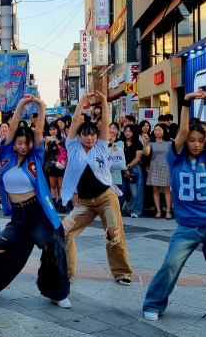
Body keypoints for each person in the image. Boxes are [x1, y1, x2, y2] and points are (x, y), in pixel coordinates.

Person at [143, 90, 206, 326]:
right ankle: (153, 303)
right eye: (192, 140)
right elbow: (181, 130)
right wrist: (187, 101)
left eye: (201, 140)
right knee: (170, 264)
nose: (197, 144)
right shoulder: (175, 158)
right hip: (188, 226)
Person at [0, 94, 70, 307]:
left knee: (54, 251)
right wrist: (22, 103)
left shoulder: (36, 157)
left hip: (38, 214)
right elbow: (12, 128)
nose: (23, 146)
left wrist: (41, 105)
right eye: (19, 142)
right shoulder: (5, 153)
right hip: (19, 217)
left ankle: (57, 294)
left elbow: (39, 130)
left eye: (27, 142)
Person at [61, 92, 132, 286]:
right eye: (86, 134)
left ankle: (122, 272)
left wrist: (104, 101)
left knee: (113, 233)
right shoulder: (72, 145)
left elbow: (106, 121)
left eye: (93, 134)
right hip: (85, 202)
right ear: (79, 135)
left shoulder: (101, 146)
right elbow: (76, 119)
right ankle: (68, 272)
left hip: (106, 197)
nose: (90, 137)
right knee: (63, 231)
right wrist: (83, 99)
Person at [143, 124, 173, 219]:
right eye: (155, 130)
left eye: (159, 130)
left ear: (164, 130)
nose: (157, 132)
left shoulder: (170, 142)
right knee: (155, 189)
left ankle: (168, 211)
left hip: (166, 165)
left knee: (166, 190)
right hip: (154, 165)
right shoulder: (151, 141)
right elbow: (147, 153)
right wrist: (144, 143)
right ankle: (158, 210)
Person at [121, 125, 144, 218]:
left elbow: (138, 157)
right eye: (126, 131)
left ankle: (135, 210)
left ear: (133, 132)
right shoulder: (120, 143)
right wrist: (124, 168)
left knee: (135, 192)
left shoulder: (137, 143)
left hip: (134, 169)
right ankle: (117, 210)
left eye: (130, 131)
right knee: (121, 191)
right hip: (121, 169)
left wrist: (128, 166)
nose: (127, 133)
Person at [44, 121, 66, 212]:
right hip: (50, 164)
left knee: (60, 185)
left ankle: (62, 203)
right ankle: (53, 203)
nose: (52, 131)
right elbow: (46, 154)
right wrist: (46, 144)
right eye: (51, 130)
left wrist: (58, 144)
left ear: (57, 130)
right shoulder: (47, 140)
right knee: (53, 185)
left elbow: (64, 152)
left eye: (54, 129)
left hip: (60, 164)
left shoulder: (62, 139)